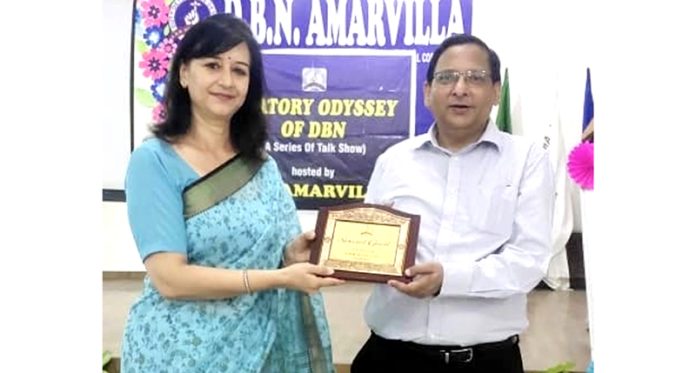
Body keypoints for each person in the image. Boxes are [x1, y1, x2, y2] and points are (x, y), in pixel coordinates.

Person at [121, 14, 343, 373]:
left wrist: (289, 256)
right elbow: (170, 279)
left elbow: (267, 257)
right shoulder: (153, 162)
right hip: (177, 354)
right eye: (212, 65)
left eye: (240, 70)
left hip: (260, 348)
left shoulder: (261, 166)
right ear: (183, 73)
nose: (227, 80)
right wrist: (279, 278)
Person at [351, 34, 554, 373]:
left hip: (485, 362)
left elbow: (528, 263)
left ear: (495, 91)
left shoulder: (527, 160)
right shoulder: (394, 160)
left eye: (474, 78)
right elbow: (370, 244)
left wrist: (448, 279)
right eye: (447, 78)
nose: (460, 88)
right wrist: (329, 253)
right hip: (390, 358)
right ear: (428, 92)